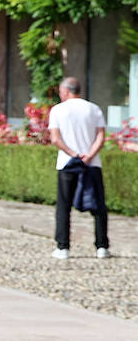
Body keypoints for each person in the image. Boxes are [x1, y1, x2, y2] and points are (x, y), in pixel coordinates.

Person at [48, 76, 111, 260]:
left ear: (66, 91)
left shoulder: (58, 110)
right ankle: (102, 247)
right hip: (92, 163)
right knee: (98, 206)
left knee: (64, 206)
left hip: (67, 163)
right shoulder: (93, 109)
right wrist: (89, 154)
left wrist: (73, 153)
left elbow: (55, 139)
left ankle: (63, 247)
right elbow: (101, 136)